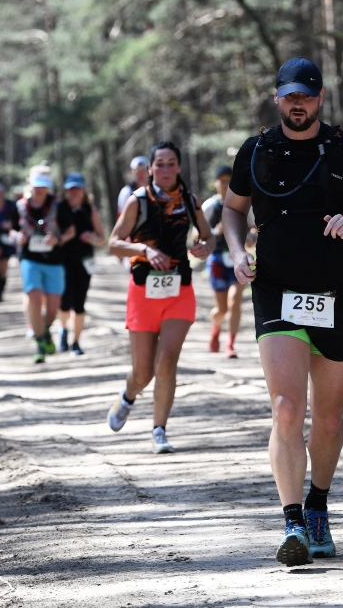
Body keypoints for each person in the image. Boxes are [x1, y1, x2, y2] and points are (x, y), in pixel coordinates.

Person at [221, 57, 343, 566]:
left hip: (336, 293)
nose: (298, 104)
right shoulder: (256, 149)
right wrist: (236, 251)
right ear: (277, 98)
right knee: (286, 408)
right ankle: (292, 521)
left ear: (320, 98)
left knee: (330, 418)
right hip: (276, 290)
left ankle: (318, 503)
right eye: (290, 95)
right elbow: (233, 209)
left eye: (307, 95)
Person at [106, 142, 213, 453]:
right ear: (150, 169)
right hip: (143, 292)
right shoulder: (138, 201)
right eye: (160, 164)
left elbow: (208, 236)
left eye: (171, 163)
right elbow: (113, 243)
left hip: (179, 291)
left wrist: (204, 247)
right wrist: (143, 249)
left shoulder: (189, 200)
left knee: (166, 361)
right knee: (143, 372)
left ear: (178, 167)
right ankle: (128, 396)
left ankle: (159, 431)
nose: (165, 169)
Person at [12, 166, 76, 364]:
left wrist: (58, 239)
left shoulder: (59, 205)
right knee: (34, 298)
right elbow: (11, 230)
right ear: (30, 184)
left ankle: (46, 331)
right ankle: (40, 343)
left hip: (54, 260)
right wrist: (16, 237)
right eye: (37, 185)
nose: (40, 190)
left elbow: (71, 231)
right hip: (29, 259)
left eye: (44, 186)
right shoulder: (20, 206)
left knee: (52, 307)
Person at [57, 173, 106, 355]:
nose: (74, 192)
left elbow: (102, 239)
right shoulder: (59, 208)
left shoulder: (89, 210)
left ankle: (76, 342)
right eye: (71, 189)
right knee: (65, 301)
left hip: (84, 262)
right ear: (66, 190)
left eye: (77, 188)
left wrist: (92, 239)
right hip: (63, 261)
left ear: (83, 190)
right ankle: (63, 330)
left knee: (79, 303)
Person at [203, 164, 248, 358]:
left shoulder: (244, 203)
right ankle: (215, 329)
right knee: (221, 309)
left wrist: (251, 236)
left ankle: (230, 344)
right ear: (215, 183)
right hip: (217, 260)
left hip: (237, 259)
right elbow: (196, 233)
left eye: (229, 181)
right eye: (221, 181)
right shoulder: (209, 206)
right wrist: (215, 231)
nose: (225, 184)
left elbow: (254, 226)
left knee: (234, 302)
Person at [0, 182, 19, 302]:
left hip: (6, 240)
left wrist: (9, 225)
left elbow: (17, 221)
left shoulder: (10, 205)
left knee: (3, 269)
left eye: (0, 193)